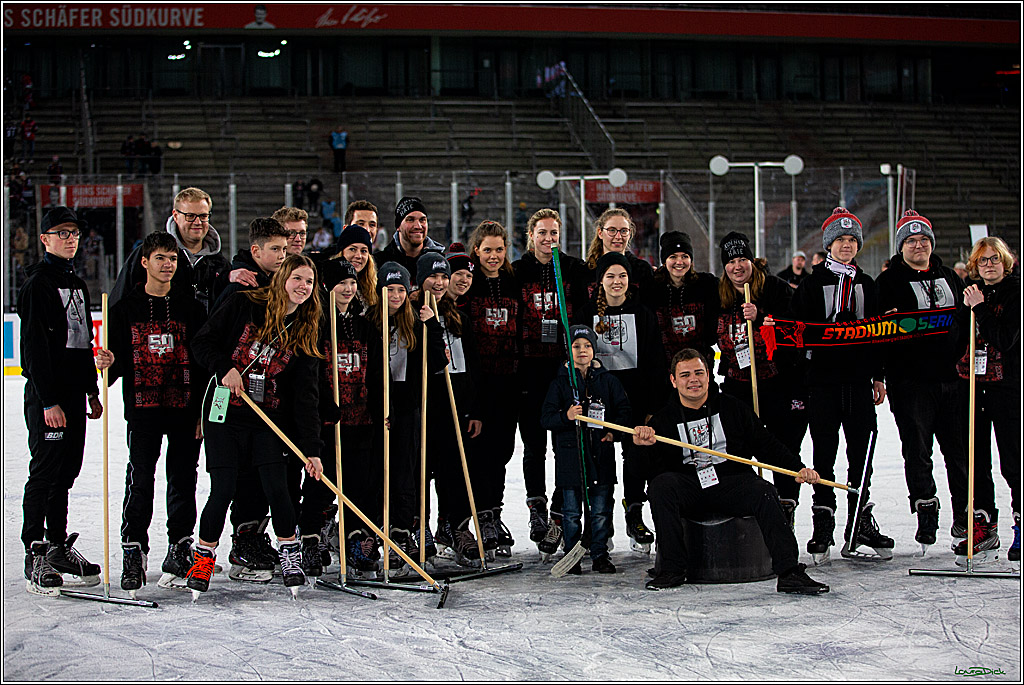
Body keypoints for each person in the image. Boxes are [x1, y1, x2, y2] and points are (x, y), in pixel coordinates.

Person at [633, 349, 829, 594]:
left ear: (709, 375)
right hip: (689, 485)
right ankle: (672, 569)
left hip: (730, 481)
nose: (693, 379)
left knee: (765, 492)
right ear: (673, 381)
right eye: (684, 375)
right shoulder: (662, 420)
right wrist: (641, 447)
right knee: (661, 486)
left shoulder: (733, 408)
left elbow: (765, 444)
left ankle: (789, 572)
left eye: (699, 373)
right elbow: (646, 470)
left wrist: (797, 469)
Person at [188, 255, 324, 597]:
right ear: (281, 279)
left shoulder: (305, 330)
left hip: (266, 421)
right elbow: (202, 342)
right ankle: (202, 557)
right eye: (297, 279)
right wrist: (224, 367)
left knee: (277, 488)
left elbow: (306, 397)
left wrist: (312, 450)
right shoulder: (242, 303)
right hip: (224, 412)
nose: (303, 287)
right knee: (223, 489)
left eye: (308, 281)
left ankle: (289, 553)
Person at [106, 232, 207, 594]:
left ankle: (180, 546)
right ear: (145, 262)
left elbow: (201, 366)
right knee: (141, 478)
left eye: (173, 259)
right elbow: (114, 368)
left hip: (184, 409)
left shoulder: (192, 308)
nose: (168, 265)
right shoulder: (123, 309)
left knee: (184, 479)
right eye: (161, 258)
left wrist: (201, 412)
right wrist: (106, 363)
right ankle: (134, 549)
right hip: (143, 410)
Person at [791, 208, 892, 564]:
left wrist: (878, 375)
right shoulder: (812, 284)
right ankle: (823, 521)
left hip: (858, 381)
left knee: (861, 455)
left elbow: (879, 333)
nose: (846, 245)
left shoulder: (867, 285)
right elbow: (798, 334)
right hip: (823, 383)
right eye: (840, 240)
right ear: (829, 245)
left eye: (852, 240)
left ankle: (860, 519)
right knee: (824, 454)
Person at [19, 206, 105, 596]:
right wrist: (48, 399)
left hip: (73, 394)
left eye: (74, 233)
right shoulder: (38, 284)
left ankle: (56, 546)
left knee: (67, 473)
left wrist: (90, 389)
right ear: (45, 239)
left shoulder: (77, 283)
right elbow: (34, 349)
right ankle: (34, 550)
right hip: (48, 397)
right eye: (62, 233)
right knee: (46, 472)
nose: (71, 239)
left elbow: (81, 342)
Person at [876, 210, 969, 556]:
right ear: (901, 247)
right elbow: (878, 334)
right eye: (911, 241)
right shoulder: (888, 283)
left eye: (924, 240)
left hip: (951, 380)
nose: (919, 245)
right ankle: (926, 508)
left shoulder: (948, 276)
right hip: (911, 382)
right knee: (918, 450)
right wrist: (879, 375)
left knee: (958, 453)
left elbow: (964, 321)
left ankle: (964, 519)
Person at [513, 208, 589, 556]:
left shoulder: (573, 269)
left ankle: (560, 511)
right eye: (542, 233)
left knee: (566, 443)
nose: (548, 239)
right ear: (531, 235)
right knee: (534, 445)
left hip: (562, 370)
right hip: (529, 370)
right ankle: (537, 508)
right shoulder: (519, 271)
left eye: (553, 233)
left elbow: (585, 316)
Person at [715, 231, 805, 522]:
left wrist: (763, 316)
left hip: (776, 382)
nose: (737, 266)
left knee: (781, 445)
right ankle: (745, 502)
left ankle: (786, 504)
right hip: (736, 384)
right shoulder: (720, 294)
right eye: (731, 261)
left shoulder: (776, 288)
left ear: (752, 260)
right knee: (735, 445)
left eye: (743, 259)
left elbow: (795, 332)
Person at [365, 261, 448, 577]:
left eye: (401, 289)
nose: (396, 295)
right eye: (390, 289)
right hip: (376, 408)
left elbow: (438, 362)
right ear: (380, 291)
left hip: (407, 406)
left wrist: (433, 326)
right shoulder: (369, 324)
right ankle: (370, 536)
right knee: (375, 474)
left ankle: (402, 533)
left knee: (405, 474)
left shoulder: (414, 323)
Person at [579, 252, 665, 554]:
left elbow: (656, 362)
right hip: (599, 401)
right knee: (599, 462)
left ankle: (635, 513)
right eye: (611, 276)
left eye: (622, 276)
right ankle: (600, 523)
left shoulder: (643, 314)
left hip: (636, 402)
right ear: (600, 281)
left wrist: (653, 406)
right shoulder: (587, 313)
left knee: (636, 459)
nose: (617, 282)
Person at [303, 259, 383, 578]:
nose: (349, 289)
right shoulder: (319, 322)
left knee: (358, 484)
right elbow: (310, 373)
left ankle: (354, 541)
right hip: (328, 423)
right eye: (341, 284)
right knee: (321, 484)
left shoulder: (364, 324)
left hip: (360, 419)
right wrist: (325, 402)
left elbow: (375, 370)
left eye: (352, 283)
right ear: (327, 286)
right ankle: (311, 539)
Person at [411, 251, 483, 567]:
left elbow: (473, 366)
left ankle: (455, 527)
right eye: (434, 277)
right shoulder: (409, 314)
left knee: (455, 471)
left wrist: (475, 408)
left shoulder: (458, 318)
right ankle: (418, 528)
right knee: (420, 470)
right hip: (423, 404)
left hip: (455, 406)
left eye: (444, 277)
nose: (440, 283)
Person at [951, 236, 1020, 565]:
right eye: (982, 261)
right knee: (975, 460)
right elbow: (958, 337)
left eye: (994, 259)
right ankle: (983, 523)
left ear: (1005, 262)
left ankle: (1020, 523)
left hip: (1007, 386)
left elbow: (1006, 340)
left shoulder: (1015, 292)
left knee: (1013, 460)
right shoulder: (971, 293)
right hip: (973, 385)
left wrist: (979, 307)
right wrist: (968, 310)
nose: (989, 265)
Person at [541, 325, 631, 573]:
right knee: (571, 512)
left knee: (601, 510)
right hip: (571, 459)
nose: (582, 350)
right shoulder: (560, 384)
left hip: (600, 455)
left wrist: (614, 432)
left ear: (595, 350)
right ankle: (573, 555)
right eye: (577, 346)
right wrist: (566, 416)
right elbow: (546, 418)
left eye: (587, 346)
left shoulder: (608, 381)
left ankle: (600, 553)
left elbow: (623, 412)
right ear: (568, 351)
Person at [465, 221, 520, 556]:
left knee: (502, 452)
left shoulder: (514, 283)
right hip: (478, 382)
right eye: (488, 249)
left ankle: (494, 513)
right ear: (477, 251)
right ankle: (479, 517)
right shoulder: (469, 285)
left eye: (499, 249)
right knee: (479, 454)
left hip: (509, 382)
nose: (494, 256)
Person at [110, 187, 230, 315]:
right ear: (176, 216)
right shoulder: (147, 254)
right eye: (190, 216)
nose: (198, 222)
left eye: (203, 216)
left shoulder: (220, 264)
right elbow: (119, 303)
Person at [640, 230, 719, 377]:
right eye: (673, 257)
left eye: (685, 256)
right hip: (663, 372)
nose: (679, 262)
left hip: (700, 369)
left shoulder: (706, 285)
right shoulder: (651, 289)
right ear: (664, 260)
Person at [213, 217, 290, 310]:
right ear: (256, 251)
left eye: (284, 249)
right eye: (275, 249)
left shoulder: (280, 282)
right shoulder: (239, 288)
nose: (282, 256)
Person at [373, 197, 446, 281]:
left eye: (422, 220)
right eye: (410, 220)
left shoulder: (442, 263)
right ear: (398, 226)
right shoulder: (378, 264)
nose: (418, 226)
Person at [584, 208, 654, 295]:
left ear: (630, 233)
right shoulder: (587, 271)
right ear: (600, 233)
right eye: (612, 230)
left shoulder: (642, 270)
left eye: (623, 231)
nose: (618, 236)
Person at [330, 224, 378, 309]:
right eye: (352, 249)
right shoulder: (326, 284)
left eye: (363, 251)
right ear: (342, 252)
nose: (358, 256)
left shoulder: (373, 288)